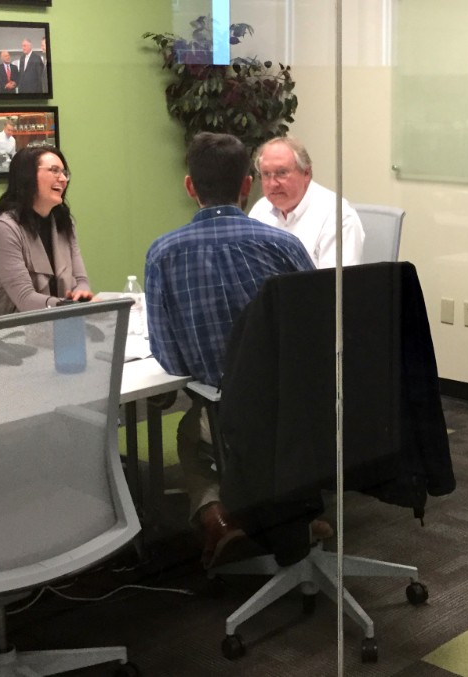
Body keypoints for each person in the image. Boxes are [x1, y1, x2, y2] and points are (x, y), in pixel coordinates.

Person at [145, 132, 317, 568]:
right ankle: (290, 511)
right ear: (247, 185)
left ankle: (217, 519)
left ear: (189, 187)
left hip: (229, 417)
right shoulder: (284, 246)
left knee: (191, 430)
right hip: (300, 414)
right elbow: (319, 332)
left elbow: (170, 359)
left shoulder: (162, 255)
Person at [0, 146, 92, 317]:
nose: (63, 179)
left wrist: (82, 295)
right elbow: (25, 300)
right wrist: (70, 306)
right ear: (28, 176)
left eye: (64, 172)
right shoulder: (3, 229)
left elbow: (81, 281)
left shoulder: (64, 222)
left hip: (58, 321)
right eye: (54, 171)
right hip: (9, 330)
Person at [248, 135, 366, 269]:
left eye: (281, 173)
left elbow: (336, 285)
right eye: (266, 174)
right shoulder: (260, 210)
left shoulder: (338, 217)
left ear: (306, 173)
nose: (272, 183)